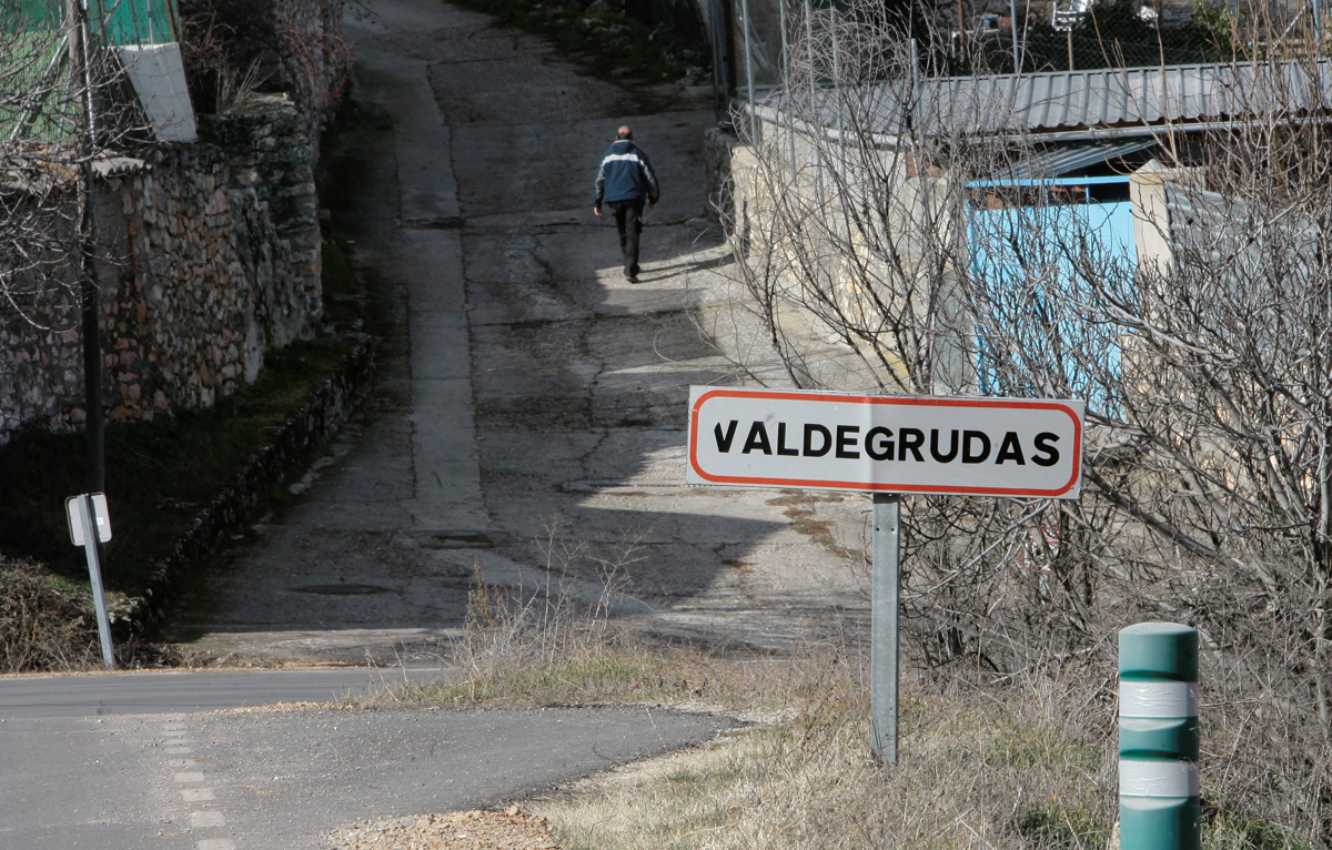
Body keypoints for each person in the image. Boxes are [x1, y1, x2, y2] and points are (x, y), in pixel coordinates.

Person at [593, 125, 659, 282]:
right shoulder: (638, 154)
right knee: (633, 232)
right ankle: (630, 270)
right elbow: (650, 177)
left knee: (623, 231)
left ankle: (629, 263)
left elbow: (599, 180)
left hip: (614, 200)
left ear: (616, 138)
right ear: (632, 138)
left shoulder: (607, 156)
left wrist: (598, 202)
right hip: (633, 198)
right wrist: (653, 197)